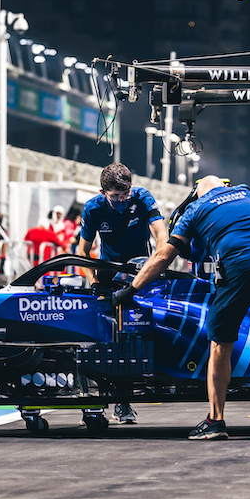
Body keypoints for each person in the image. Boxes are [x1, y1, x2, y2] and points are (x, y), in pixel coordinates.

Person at [113, 175, 250, 440]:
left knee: (220, 345)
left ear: (197, 192)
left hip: (239, 266)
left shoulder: (195, 209)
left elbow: (164, 256)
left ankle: (216, 421)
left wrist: (129, 290)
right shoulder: (247, 192)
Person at [76, 163, 168, 424]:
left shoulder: (142, 198)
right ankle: (120, 401)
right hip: (108, 276)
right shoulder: (93, 208)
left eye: (125, 193)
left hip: (142, 273)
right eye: (115, 196)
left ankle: (159, 381)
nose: (121, 199)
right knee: (110, 341)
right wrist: (93, 281)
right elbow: (82, 251)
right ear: (102, 191)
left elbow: (161, 234)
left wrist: (160, 260)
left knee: (147, 333)